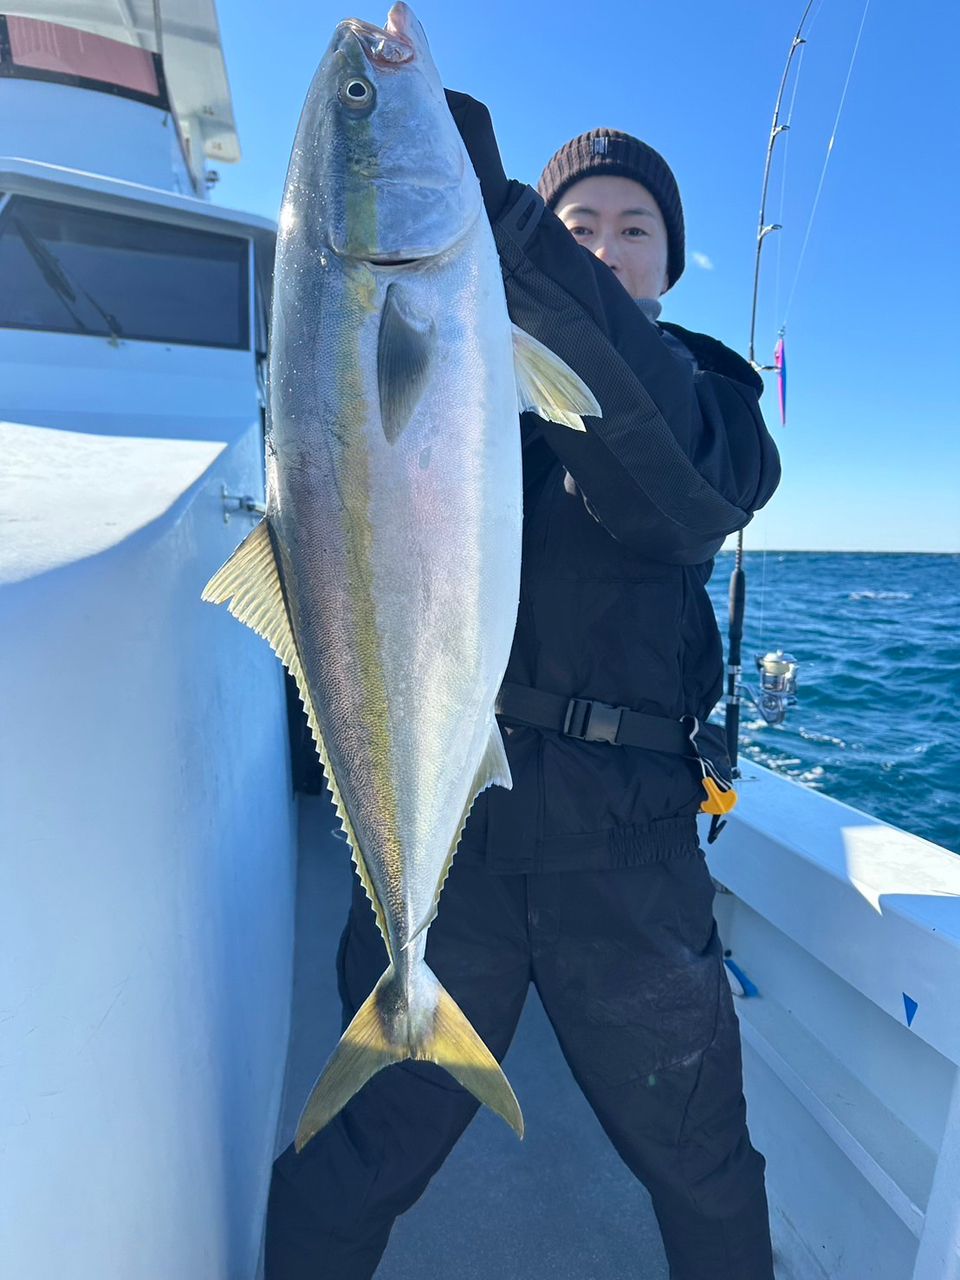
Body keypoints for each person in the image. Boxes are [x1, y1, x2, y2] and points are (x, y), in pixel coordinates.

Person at [265, 93, 781, 1280]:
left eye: (633, 226)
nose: (604, 243)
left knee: (703, 1168)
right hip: (454, 845)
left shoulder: (711, 398)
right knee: (355, 1163)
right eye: (577, 221)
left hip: (633, 859)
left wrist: (513, 224)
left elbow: (681, 491)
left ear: (674, 258)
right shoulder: (459, 367)